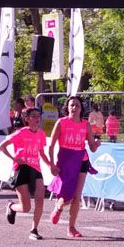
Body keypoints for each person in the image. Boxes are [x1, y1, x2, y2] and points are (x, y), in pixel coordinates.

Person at [0, 107, 54, 240]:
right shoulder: (21, 133)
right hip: (21, 169)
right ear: (27, 119)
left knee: (40, 200)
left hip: (36, 169)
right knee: (26, 207)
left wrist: (50, 165)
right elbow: (1, 146)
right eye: (33, 116)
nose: (36, 119)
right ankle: (11, 207)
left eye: (38, 116)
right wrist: (14, 158)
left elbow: (41, 153)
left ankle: (34, 230)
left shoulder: (41, 134)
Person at [45, 95, 96, 239]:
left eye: (77, 106)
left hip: (81, 160)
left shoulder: (85, 125)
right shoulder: (61, 123)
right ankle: (59, 207)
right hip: (65, 161)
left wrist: (96, 144)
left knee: (77, 196)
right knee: (66, 195)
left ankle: (71, 228)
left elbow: (92, 148)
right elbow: (51, 145)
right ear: (67, 108)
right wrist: (52, 164)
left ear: (81, 109)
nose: (74, 108)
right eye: (71, 105)